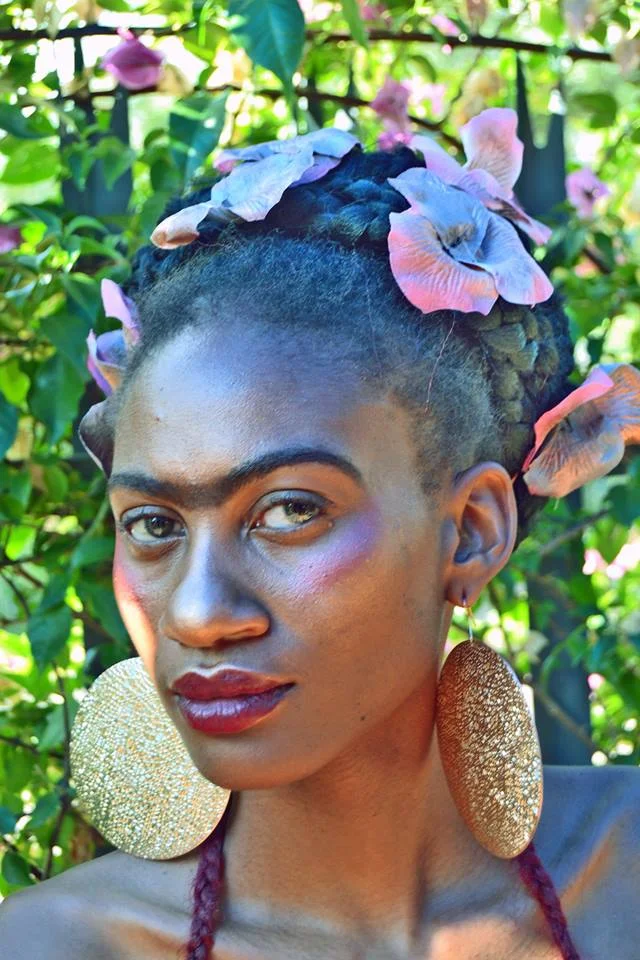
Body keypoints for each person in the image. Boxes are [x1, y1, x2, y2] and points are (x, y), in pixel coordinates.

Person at [1, 112, 639, 960]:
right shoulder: (52, 946)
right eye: (153, 524)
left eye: (291, 511)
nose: (197, 614)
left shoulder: (626, 875)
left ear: (472, 533)